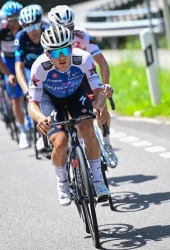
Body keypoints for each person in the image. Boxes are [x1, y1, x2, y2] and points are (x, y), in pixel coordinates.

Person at [28, 25, 111, 206]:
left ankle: (98, 181)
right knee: (60, 140)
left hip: (75, 93)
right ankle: (62, 182)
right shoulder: (39, 67)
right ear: (47, 54)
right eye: (55, 53)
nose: (62, 57)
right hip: (50, 98)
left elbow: (98, 91)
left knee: (88, 127)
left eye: (65, 50)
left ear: (72, 47)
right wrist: (41, 118)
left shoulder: (84, 59)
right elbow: (32, 104)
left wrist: (99, 107)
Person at [48, 5, 118, 168]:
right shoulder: (49, 39)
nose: (68, 31)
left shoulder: (81, 35)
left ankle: (106, 143)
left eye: (70, 27)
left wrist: (104, 85)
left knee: (101, 102)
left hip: (83, 76)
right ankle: (78, 153)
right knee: (72, 118)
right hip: (61, 79)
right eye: (63, 28)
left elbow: (101, 62)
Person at [0, 1, 30, 149]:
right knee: (16, 100)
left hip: (24, 61)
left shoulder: (25, 28)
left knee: (31, 92)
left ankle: (31, 119)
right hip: (8, 62)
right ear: (5, 20)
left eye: (17, 18)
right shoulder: (0, 32)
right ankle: (23, 131)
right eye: (11, 19)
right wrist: (8, 74)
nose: (14, 22)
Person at [15, 5, 45, 134]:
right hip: (29, 69)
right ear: (23, 28)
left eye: (36, 26)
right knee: (32, 96)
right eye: (28, 27)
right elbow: (18, 68)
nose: (34, 31)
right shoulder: (20, 37)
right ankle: (37, 131)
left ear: (41, 23)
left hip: (47, 68)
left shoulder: (48, 32)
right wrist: (26, 90)